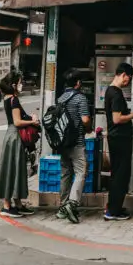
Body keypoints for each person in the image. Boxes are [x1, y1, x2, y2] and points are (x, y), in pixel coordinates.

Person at [104, 63, 133, 221]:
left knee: (117, 173)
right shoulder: (116, 94)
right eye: (129, 78)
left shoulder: (110, 91)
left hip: (116, 138)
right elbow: (117, 118)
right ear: (123, 75)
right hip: (119, 139)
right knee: (121, 174)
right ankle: (114, 211)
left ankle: (114, 207)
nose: (129, 81)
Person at [0, 71, 38, 217]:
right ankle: (7, 206)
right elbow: (17, 122)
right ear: (13, 85)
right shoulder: (13, 100)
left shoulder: (8, 98)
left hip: (11, 136)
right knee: (14, 169)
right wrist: (33, 121)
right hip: (15, 137)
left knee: (14, 169)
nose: (21, 85)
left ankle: (17, 203)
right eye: (19, 82)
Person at [56, 71, 92, 224]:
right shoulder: (80, 98)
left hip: (63, 143)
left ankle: (63, 206)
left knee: (66, 173)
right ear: (78, 83)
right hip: (76, 142)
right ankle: (72, 203)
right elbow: (85, 119)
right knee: (80, 172)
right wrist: (89, 128)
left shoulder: (61, 98)